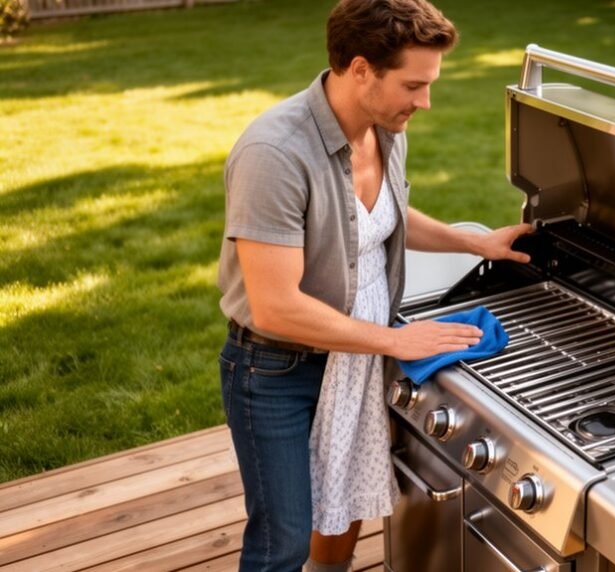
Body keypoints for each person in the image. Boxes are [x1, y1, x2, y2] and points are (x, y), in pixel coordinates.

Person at [215, 1, 532, 570]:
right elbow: (275, 308)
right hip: (277, 370)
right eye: (414, 84)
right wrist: (395, 342)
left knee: (346, 504)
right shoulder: (275, 154)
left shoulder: (384, 129)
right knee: (282, 538)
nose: (425, 101)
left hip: (355, 356)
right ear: (359, 69)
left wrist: (475, 243)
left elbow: (386, 213)